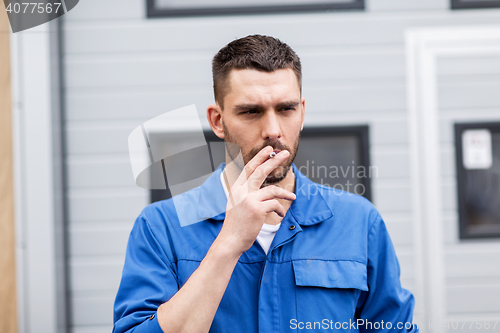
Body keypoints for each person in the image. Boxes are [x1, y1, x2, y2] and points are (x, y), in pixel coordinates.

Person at [113, 34, 418, 333]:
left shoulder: (359, 222)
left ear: (301, 112)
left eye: (286, 109)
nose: (272, 130)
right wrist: (228, 244)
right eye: (251, 111)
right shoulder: (161, 228)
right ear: (218, 121)